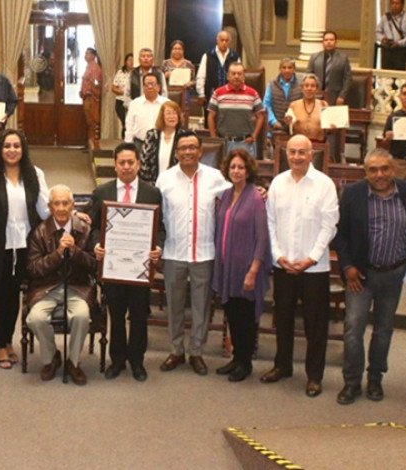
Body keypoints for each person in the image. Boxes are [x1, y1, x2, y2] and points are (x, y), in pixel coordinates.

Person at [334, 148, 406, 405]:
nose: (380, 174)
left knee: (384, 331)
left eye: (384, 168)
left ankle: (375, 379)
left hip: (393, 275)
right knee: (353, 330)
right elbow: (339, 235)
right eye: (373, 170)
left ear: (393, 169)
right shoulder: (352, 194)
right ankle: (351, 383)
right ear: (365, 173)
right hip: (359, 276)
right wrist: (348, 266)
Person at [262, 134, 338, 398]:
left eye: (301, 152)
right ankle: (282, 366)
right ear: (285, 154)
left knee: (315, 325)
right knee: (282, 319)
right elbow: (270, 222)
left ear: (312, 154)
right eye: (291, 152)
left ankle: (314, 376)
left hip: (314, 269)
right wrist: (277, 254)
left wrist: (312, 258)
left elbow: (330, 225)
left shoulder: (324, 185)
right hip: (283, 265)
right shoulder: (278, 183)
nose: (296, 157)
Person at [0, 129, 50, 369]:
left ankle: (9, 341)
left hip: (26, 244)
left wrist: (73, 215)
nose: (12, 150)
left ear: (23, 150)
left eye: (16, 146)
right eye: (7, 146)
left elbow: (45, 210)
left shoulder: (35, 174)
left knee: (14, 294)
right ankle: (0, 345)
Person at [156, 130, 231, 376]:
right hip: (174, 253)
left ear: (200, 151)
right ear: (176, 152)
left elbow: (237, 194)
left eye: (192, 147)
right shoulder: (164, 180)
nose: (187, 152)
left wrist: (259, 191)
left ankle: (196, 352)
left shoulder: (215, 177)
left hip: (204, 253)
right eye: (182, 148)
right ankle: (177, 350)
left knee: (201, 307)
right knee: (174, 305)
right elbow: (156, 217)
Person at [88, 143, 163, 382]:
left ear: (139, 164)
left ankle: (137, 362)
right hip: (114, 267)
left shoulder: (152, 193)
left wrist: (157, 247)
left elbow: (160, 228)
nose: (127, 166)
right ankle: (117, 360)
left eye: (131, 162)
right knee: (116, 315)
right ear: (115, 165)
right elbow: (93, 228)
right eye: (122, 162)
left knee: (139, 315)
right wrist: (96, 245)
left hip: (140, 268)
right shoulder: (102, 192)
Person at [26, 185, 97, 385]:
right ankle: (51, 358)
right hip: (46, 287)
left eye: (65, 203)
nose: (61, 208)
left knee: (82, 316)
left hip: (77, 287)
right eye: (56, 203)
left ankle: (73, 362)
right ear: (49, 206)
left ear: (72, 205)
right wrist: (57, 254)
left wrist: (74, 251)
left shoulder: (84, 229)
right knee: (36, 318)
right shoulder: (39, 232)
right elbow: (33, 269)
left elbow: (93, 265)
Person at [213, 148, 271, 382]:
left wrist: (254, 269)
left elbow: (262, 237)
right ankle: (236, 358)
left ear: (248, 171)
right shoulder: (226, 195)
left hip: (246, 268)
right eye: (233, 167)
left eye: (241, 167)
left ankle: (245, 363)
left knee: (245, 318)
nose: (236, 171)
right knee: (233, 314)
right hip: (228, 267)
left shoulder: (255, 197)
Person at [208, 62, 265, 157]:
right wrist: (214, 138)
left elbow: (261, 116)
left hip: (245, 143)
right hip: (223, 143)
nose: (236, 76)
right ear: (227, 76)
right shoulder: (218, 93)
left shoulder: (253, 93)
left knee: (247, 171)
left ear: (244, 76)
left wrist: (254, 135)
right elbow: (210, 116)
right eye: (233, 73)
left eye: (239, 74)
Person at [139, 99, 181, 183]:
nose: (172, 116)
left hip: (177, 183)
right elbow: (144, 161)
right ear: (162, 116)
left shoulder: (183, 137)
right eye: (168, 113)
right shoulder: (152, 135)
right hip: (153, 184)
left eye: (175, 113)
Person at [124, 73, 169, 149]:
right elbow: (129, 124)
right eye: (147, 84)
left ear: (158, 87)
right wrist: (128, 144)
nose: (150, 87)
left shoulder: (166, 103)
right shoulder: (134, 103)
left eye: (152, 84)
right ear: (143, 87)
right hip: (139, 143)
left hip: (161, 144)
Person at [196, 30, 240, 106]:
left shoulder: (235, 57)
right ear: (217, 40)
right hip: (211, 94)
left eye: (226, 40)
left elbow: (240, 77)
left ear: (229, 42)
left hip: (230, 95)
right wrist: (201, 94)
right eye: (222, 40)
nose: (224, 43)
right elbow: (201, 76)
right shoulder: (208, 55)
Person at [306, 31, 352, 105]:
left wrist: (342, 96)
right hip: (316, 95)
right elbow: (308, 77)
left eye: (331, 40)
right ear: (323, 42)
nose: (329, 42)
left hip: (335, 97)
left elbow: (348, 79)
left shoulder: (343, 58)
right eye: (326, 40)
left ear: (336, 42)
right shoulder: (314, 57)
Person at [376, 0, 406, 71]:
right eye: (392, 3)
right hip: (387, 49)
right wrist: (382, 39)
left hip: (400, 50)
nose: (394, 6)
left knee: (398, 75)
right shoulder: (385, 17)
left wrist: (399, 43)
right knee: (386, 75)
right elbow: (378, 31)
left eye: (397, 3)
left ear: (402, 5)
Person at [263, 58, 302, 136]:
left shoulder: (301, 84)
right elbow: (266, 105)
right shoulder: (272, 84)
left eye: (290, 67)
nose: (287, 70)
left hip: (296, 127)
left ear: (294, 69)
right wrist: (273, 121)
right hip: (275, 126)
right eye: (284, 67)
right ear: (280, 69)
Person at [285, 74, 328, 142]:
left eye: (312, 86)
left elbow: (329, 129)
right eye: (306, 85)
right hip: (298, 143)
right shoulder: (293, 105)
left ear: (317, 89)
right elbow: (288, 128)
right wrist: (288, 122)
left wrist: (333, 127)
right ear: (302, 88)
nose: (309, 88)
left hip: (318, 144)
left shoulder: (323, 104)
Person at [80, 47, 103, 148]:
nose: (85, 55)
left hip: (91, 99)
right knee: (89, 122)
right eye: (85, 53)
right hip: (86, 97)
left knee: (93, 122)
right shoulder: (88, 66)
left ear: (93, 56)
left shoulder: (95, 67)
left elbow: (96, 83)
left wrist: (90, 92)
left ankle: (93, 144)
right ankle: (89, 143)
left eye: (88, 53)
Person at [162, 40, 196, 104]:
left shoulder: (189, 64)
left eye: (179, 49)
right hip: (168, 92)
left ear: (183, 51)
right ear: (171, 50)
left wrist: (190, 83)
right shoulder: (165, 63)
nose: (177, 51)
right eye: (175, 49)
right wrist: (165, 75)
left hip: (185, 93)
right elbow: (159, 80)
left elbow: (194, 81)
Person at [111, 53, 134, 137]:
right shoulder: (120, 72)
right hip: (120, 101)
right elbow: (113, 88)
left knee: (129, 123)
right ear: (125, 62)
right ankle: (124, 141)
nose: (131, 62)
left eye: (133, 60)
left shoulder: (136, 73)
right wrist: (123, 92)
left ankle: (127, 142)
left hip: (132, 102)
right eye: (129, 60)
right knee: (125, 122)